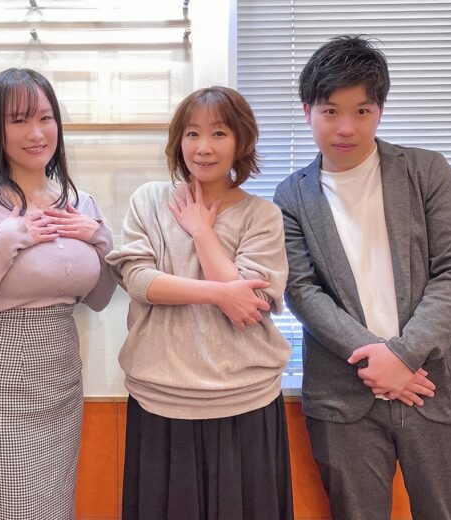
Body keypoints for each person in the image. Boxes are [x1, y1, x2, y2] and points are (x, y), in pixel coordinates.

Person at [273, 35, 451, 519]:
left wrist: (403, 355)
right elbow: (302, 291)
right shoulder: (291, 196)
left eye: (362, 111)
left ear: (380, 111)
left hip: (440, 386)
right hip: (345, 397)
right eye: (330, 111)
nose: (346, 127)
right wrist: (378, 360)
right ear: (307, 111)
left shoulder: (426, 170)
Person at [0, 67, 116, 520]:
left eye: (45, 118)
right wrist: (5, 241)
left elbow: (99, 298)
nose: (36, 133)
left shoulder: (80, 203)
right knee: (2, 505)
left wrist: (101, 238)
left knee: (52, 505)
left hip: (60, 373)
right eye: (19, 120)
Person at [106, 86, 293, 520]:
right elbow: (138, 280)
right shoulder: (150, 201)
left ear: (241, 141)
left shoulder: (261, 215)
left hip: (245, 400)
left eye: (219, 133)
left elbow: (248, 306)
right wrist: (218, 292)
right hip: (160, 398)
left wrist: (203, 232)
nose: (203, 147)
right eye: (192, 134)